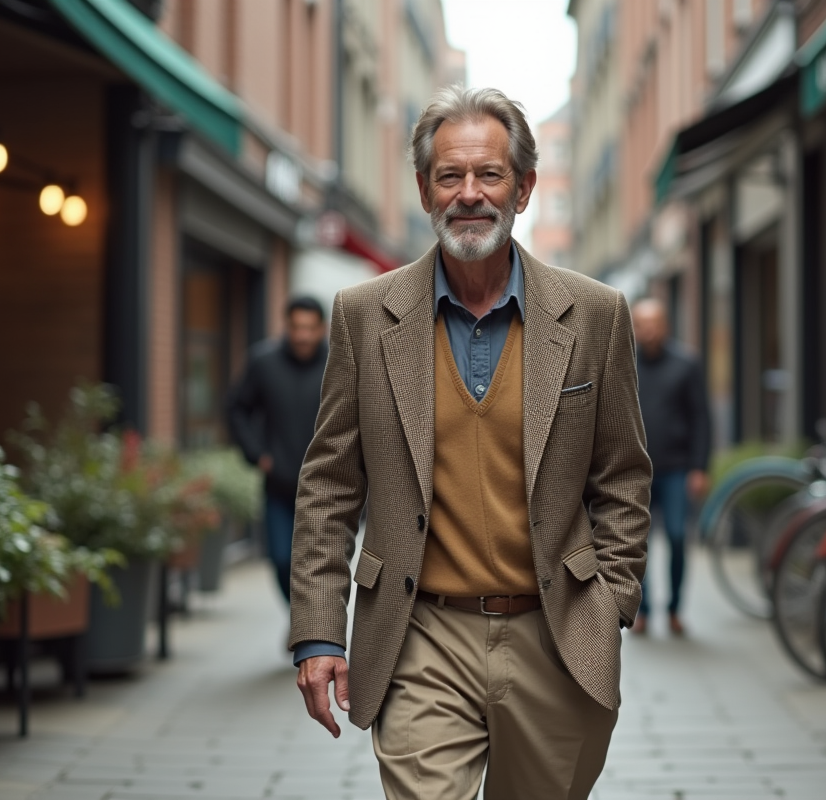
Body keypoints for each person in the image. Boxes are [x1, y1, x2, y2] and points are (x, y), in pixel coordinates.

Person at [289, 86, 651, 800]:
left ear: (525, 186)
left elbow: (622, 476)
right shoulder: (364, 315)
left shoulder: (596, 315)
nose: (470, 194)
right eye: (449, 176)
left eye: (489, 174)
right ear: (424, 189)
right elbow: (329, 483)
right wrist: (319, 632)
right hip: (421, 632)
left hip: (557, 633)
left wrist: (611, 603)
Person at [227, 296, 328, 604]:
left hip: (326, 486)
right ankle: (300, 618)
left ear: (322, 329)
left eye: (310, 328)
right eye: (296, 327)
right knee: (282, 559)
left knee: (320, 564)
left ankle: (312, 628)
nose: (303, 336)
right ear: (286, 326)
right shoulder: (263, 362)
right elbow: (237, 409)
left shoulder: (338, 362)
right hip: (279, 485)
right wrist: (257, 454)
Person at [630, 297, 711, 636]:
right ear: (634, 327)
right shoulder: (623, 363)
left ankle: (675, 608)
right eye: (642, 323)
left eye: (655, 322)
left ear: (666, 325)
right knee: (637, 543)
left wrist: (699, 467)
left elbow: (701, 418)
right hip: (636, 469)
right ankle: (643, 610)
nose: (649, 330)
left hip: (677, 468)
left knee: (678, 537)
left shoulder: (686, 364)